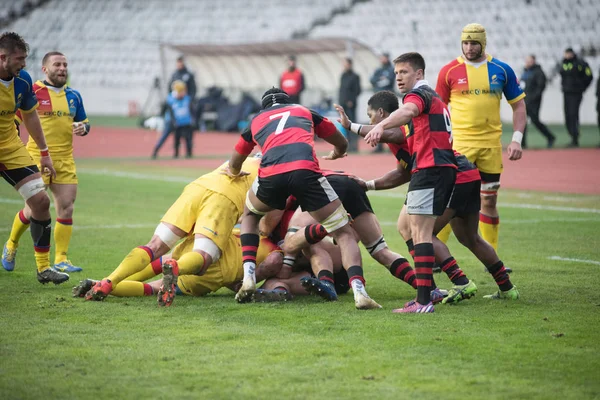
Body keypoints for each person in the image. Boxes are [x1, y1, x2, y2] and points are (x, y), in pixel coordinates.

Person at [226, 87, 378, 309]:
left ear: (265, 107)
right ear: (289, 102)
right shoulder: (303, 110)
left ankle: (248, 276)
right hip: (306, 171)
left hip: (272, 174)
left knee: (250, 214)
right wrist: (337, 152)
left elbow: (234, 162)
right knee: (343, 233)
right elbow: (340, 141)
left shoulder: (256, 120)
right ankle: (360, 293)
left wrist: (236, 172)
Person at [85, 157, 261, 306]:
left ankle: (109, 281)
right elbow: (266, 222)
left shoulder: (246, 158)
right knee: (204, 256)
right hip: (224, 197)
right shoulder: (272, 171)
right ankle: (178, 267)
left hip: (197, 187)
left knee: (154, 246)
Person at [364, 52, 457, 313]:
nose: (399, 78)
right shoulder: (433, 97)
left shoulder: (420, 95)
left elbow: (407, 111)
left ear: (419, 73)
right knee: (414, 230)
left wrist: (380, 125)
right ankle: (428, 295)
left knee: (421, 233)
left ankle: (424, 301)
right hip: (436, 168)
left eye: (404, 72)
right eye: (396, 74)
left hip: (431, 167)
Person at [436, 23, 526, 252]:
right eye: (465, 42)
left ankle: (491, 254)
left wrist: (516, 139)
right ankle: (437, 251)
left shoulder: (502, 70)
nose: (469, 47)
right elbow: (438, 109)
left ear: (483, 43)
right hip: (460, 146)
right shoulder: (449, 71)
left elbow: (519, 106)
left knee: (489, 200)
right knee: (449, 201)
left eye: (474, 43)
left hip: (490, 146)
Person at [7, 51, 89, 273]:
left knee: (66, 207)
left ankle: (61, 258)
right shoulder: (32, 91)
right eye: (57, 65)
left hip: (65, 159)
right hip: (36, 157)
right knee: (34, 209)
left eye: (64, 64)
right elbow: (14, 121)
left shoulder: (74, 96)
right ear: (45, 69)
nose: (62, 68)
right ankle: (11, 243)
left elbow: (84, 121)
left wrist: (83, 128)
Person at [0, 32, 68, 285]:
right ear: (3, 57)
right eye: (19, 59)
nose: (24, 64)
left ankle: (43, 269)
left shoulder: (23, 81)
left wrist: (44, 153)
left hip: (9, 146)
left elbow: (30, 117)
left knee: (40, 202)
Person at [74, 229, 284, 303]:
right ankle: (99, 284)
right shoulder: (273, 250)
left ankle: (103, 282)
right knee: (153, 288)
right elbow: (239, 284)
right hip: (206, 275)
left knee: (161, 261)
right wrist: (243, 281)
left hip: (198, 249)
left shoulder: (246, 225)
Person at [559, 48, 593, 147]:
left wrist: (582, 87)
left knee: (573, 114)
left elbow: (589, 76)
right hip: (566, 92)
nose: (567, 55)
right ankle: (572, 136)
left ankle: (575, 138)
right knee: (567, 115)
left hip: (576, 93)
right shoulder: (563, 63)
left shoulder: (581, 63)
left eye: (568, 53)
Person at [521, 55, 555, 148]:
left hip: (533, 102)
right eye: (526, 61)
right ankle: (522, 143)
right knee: (522, 120)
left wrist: (532, 98)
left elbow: (541, 87)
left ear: (534, 61)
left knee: (535, 120)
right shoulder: (525, 72)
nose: (527, 62)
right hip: (524, 100)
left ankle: (550, 137)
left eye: (529, 61)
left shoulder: (538, 72)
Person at [369, 52, 395, 154]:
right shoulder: (378, 70)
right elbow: (372, 80)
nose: (382, 60)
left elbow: (389, 81)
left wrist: (379, 81)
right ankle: (379, 146)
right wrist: (381, 80)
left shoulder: (391, 69)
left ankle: (392, 145)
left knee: (390, 122)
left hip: (388, 99)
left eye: (383, 58)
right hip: (378, 98)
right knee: (378, 121)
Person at [338, 58, 361, 153]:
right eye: (344, 64)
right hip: (343, 104)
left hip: (351, 104)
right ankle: (347, 145)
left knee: (352, 125)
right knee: (345, 125)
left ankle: (354, 145)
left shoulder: (355, 76)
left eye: (346, 64)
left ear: (350, 64)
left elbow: (357, 90)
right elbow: (342, 90)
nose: (345, 66)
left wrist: (351, 100)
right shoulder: (343, 75)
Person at [167, 80, 194, 158]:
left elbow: (192, 109)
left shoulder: (187, 98)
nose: (184, 92)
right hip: (177, 123)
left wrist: (192, 119)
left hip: (186, 122)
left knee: (188, 139)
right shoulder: (171, 99)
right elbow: (170, 111)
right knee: (176, 139)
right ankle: (176, 154)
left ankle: (189, 153)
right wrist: (173, 121)